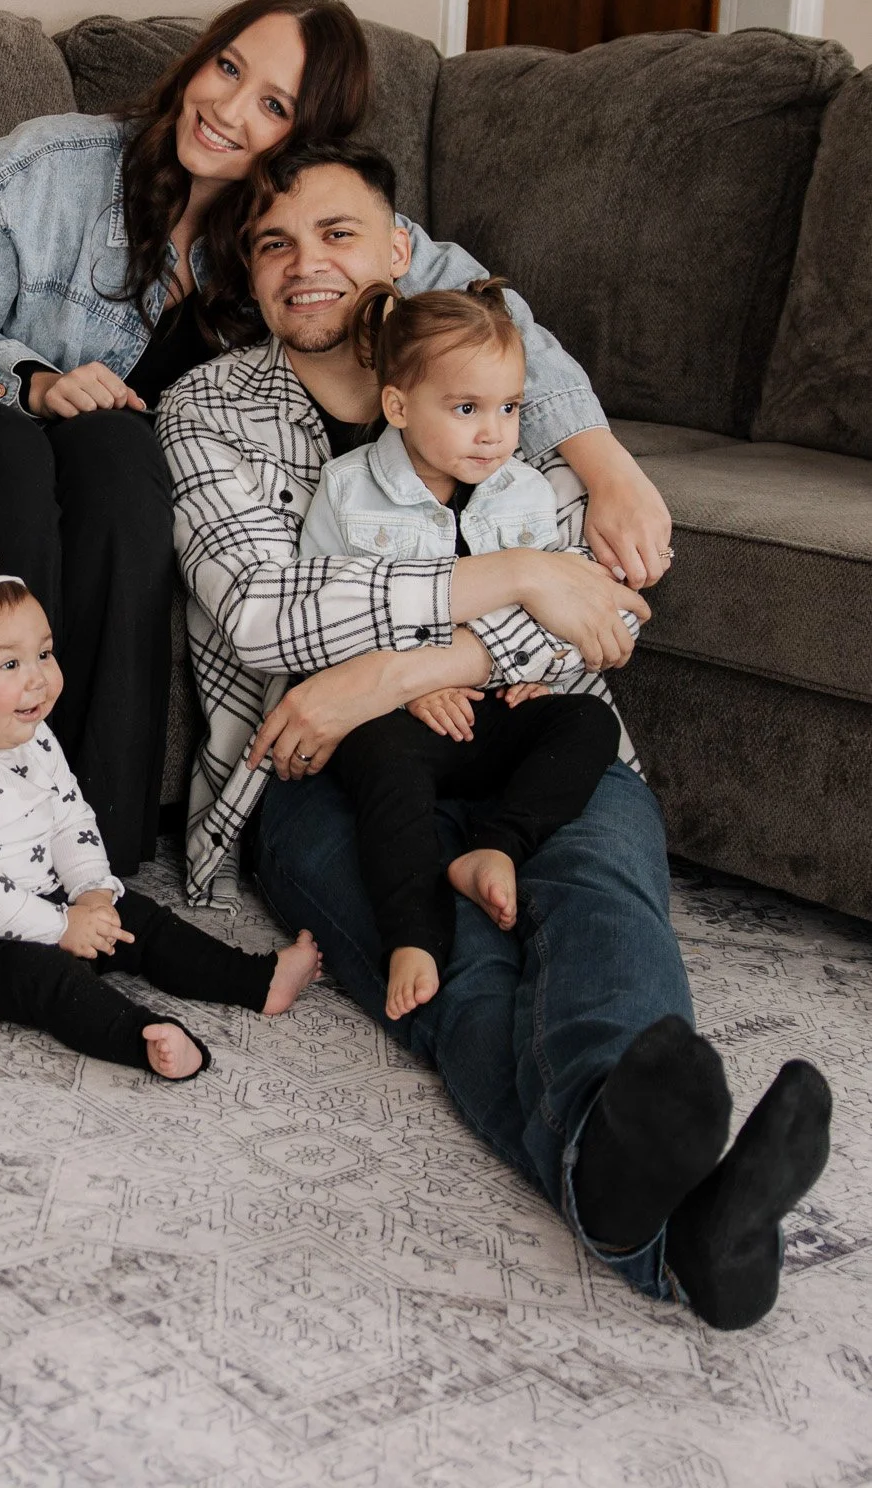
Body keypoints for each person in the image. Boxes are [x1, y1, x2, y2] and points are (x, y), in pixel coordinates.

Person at [158, 139, 833, 1328]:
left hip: (532, 735)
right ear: (249, 279)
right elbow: (265, 610)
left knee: (599, 897)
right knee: (456, 960)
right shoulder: (209, 407)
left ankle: (644, 1209)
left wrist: (404, 664)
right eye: (273, 245)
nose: (305, 263)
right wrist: (517, 582)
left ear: (403, 250)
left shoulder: (500, 391)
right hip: (321, 773)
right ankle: (673, 1233)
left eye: (338, 232)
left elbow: (594, 625)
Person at [0, 0, 673, 874]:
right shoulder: (52, 167)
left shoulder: (292, 229)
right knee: (21, 449)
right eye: (226, 67)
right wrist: (33, 381)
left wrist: (605, 463)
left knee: (121, 450)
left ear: (302, 136)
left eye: (271, 104)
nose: (228, 109)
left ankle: (95, 852)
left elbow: (485, 316)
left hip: (95, 457)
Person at [297, 276, 625, 1020]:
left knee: (587, 725)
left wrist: (536, 674)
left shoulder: (527, 493)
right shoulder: (349, 491)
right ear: (400, 407)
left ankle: (497, 846)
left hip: (490, 706)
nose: (494, 433)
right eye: (468, 409)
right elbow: (323, 616)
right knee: (382, 767)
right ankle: (413, 933)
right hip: (394, 717)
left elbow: (563, 613)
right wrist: (410, 686)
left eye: (509, 408)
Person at [0, 560, 322, 1080]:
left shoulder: (31, 732)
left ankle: (257, 981)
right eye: (9, 665)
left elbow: (69, 815)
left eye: (43, 654)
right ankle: (144, 1039)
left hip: (41, 902)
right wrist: (62, 927)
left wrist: (92, 890)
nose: (39, 679)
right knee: (45, 977)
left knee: (135, 917)